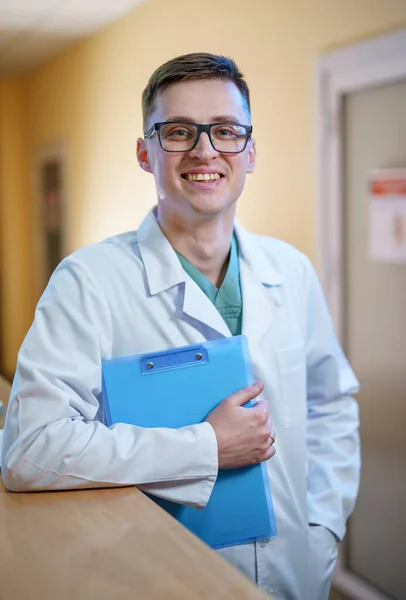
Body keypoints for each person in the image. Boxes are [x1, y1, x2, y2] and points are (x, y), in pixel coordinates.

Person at [1, 53, 360, 599]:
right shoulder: (89, 281)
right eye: (178, 132)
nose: (205, 150)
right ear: (146, 153)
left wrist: (324, 526)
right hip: (153, 577)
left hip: (295, 573)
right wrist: (205, 447)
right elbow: (31, 451)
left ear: (251, 151)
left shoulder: (291, 270)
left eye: (225, 131)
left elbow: (331, 404)